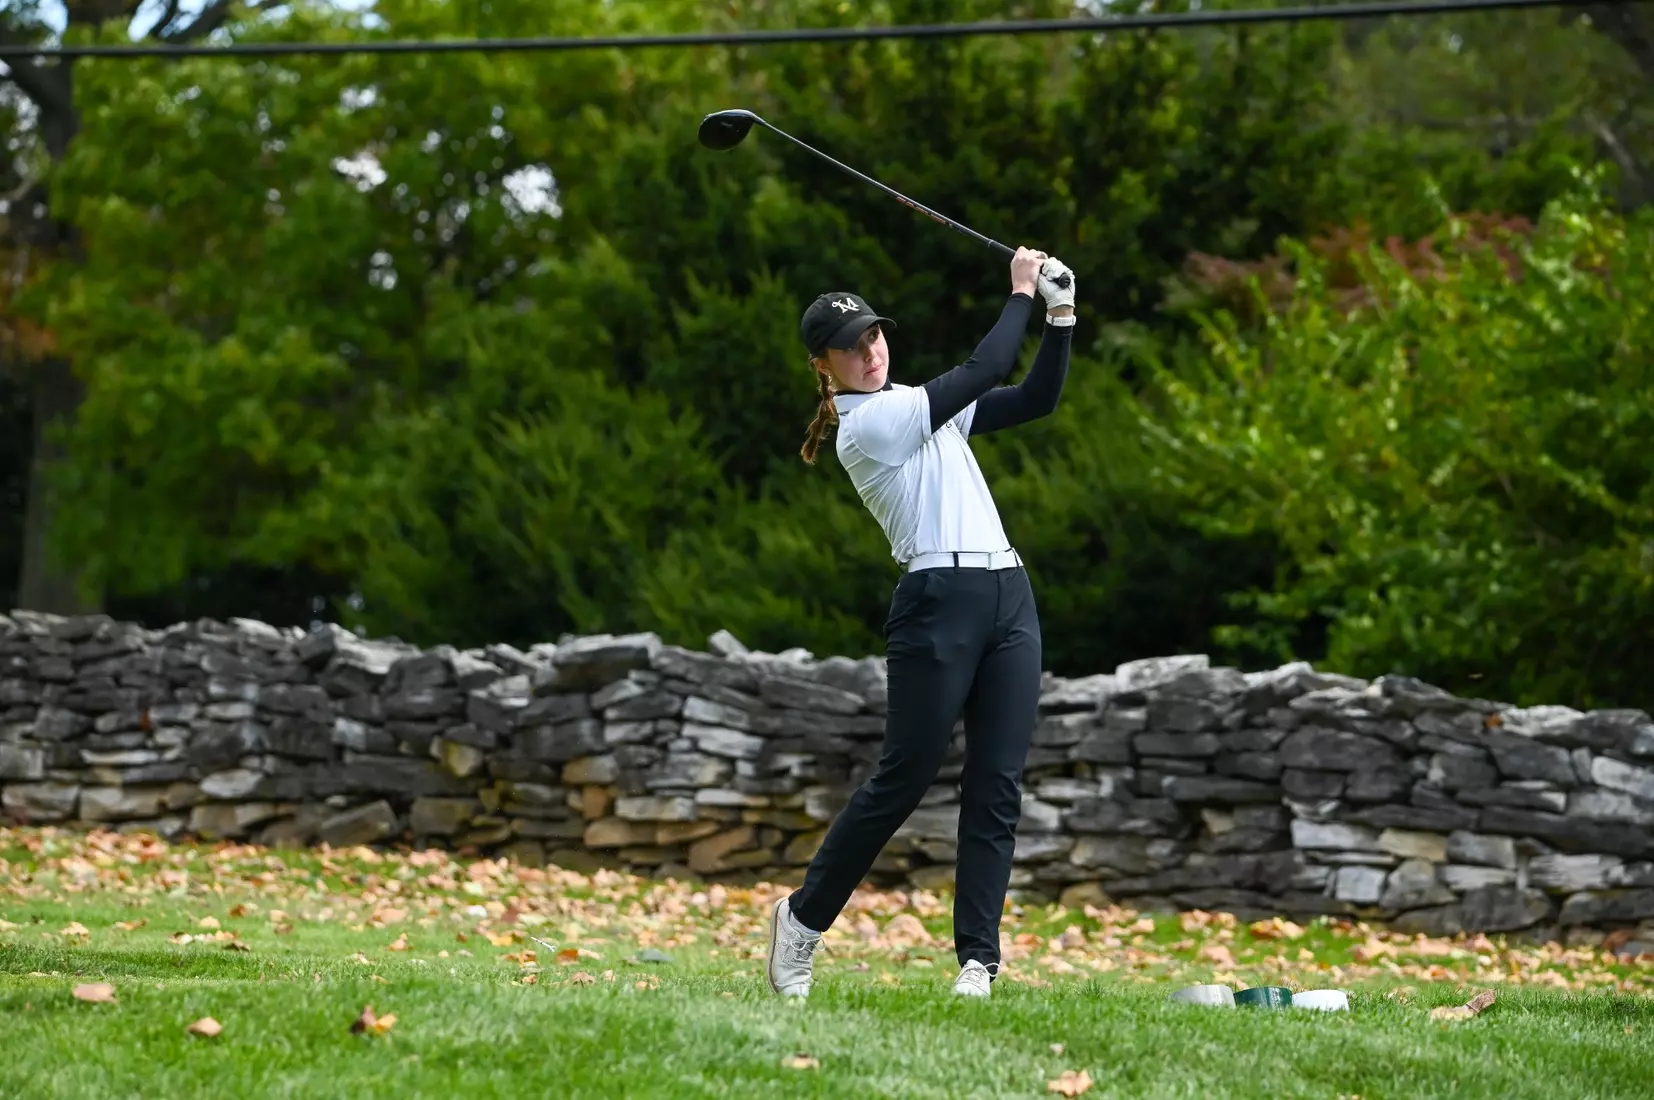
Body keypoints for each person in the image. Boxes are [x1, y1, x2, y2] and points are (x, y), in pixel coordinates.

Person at [768, 246, 1076, 999]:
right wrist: (1019, 293)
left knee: (997, 783)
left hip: (1008, 592)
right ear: (824, 366)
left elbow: (1032, 398)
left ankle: (979, 961)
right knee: (904, 777)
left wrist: (1061, 316)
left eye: (873, 337)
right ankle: (800, 924)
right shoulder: (867, 426)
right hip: (936, 601)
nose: (868, 353)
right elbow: (982, 371)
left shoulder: (914, 399)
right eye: (849, 348)